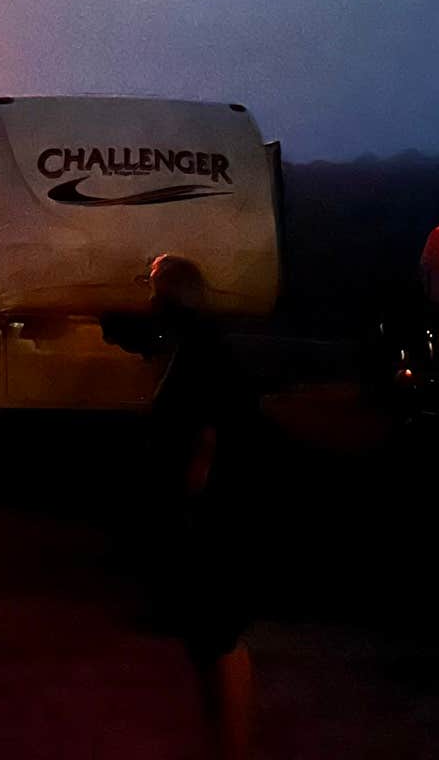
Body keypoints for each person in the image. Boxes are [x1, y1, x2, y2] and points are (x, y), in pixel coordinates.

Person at [135, 254, 261, 760]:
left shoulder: (205, 350)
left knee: (219, 637)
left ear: (171, 294)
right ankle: (222, 742)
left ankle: (234, 748)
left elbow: (209, 433)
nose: (148, 296)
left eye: (154, 287)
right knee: (207, 638)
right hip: (207, 514)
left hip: (211, 517)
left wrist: (191, 503)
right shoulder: (195, 344)